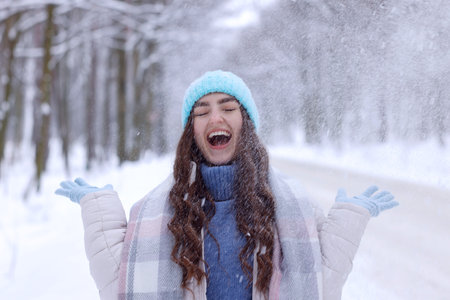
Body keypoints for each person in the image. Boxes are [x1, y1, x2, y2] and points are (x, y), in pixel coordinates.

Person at [56, 70, 398, 300]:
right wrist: (98, 210)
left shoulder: (291, 206)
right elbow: (120, 284)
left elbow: (321, 282)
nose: (215, 118)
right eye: (201, 112)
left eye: (227, 107)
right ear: (192, 130)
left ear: (245, 122)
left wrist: (350, 221)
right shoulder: (158, 215)